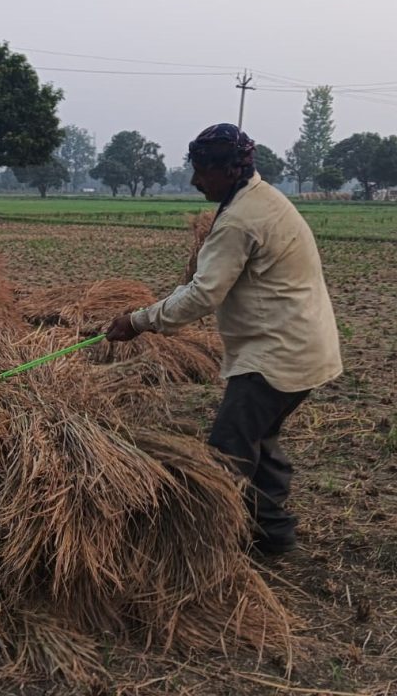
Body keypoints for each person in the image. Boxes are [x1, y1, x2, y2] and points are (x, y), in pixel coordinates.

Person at [105, 124, 342, 555]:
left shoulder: (239, 220)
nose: (196, 181)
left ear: (231, 170)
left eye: (202, 172)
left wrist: (137, 322)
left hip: (276, 354)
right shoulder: (262, 198)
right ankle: (272, 536)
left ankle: (206, 545)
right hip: (302, 347)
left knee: (226, 453)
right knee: (260, 443)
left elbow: (203, 293)